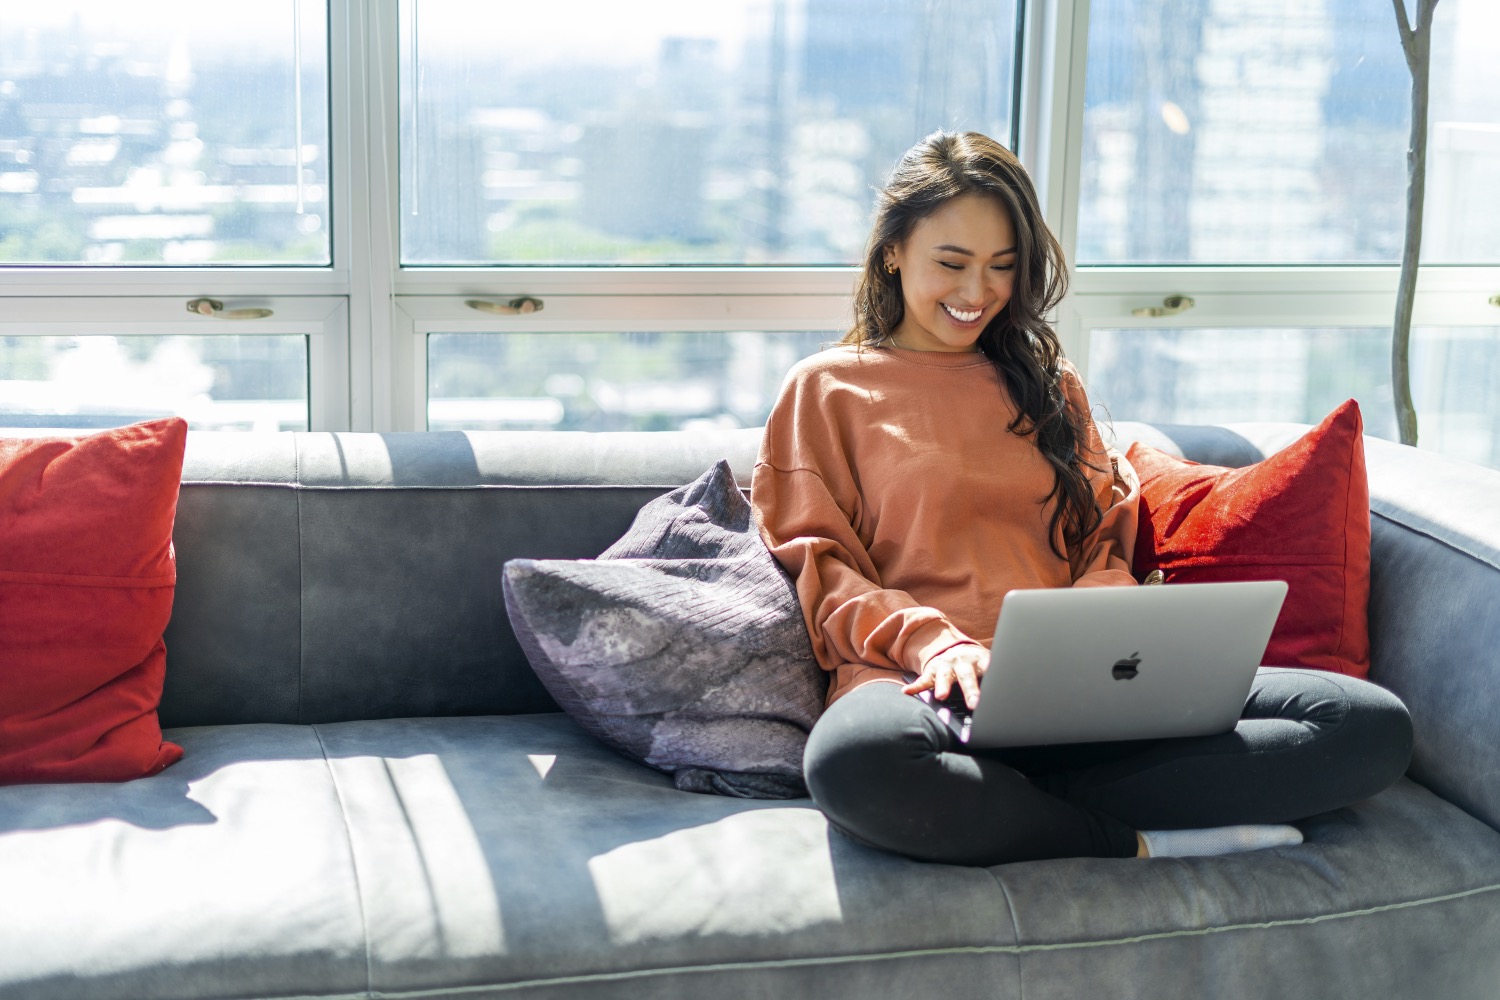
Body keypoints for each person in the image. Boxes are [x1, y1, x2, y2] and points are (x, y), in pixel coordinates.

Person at [750, 130, 1413, 866]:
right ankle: (1130, 838)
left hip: (1080, 688)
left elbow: (1105, 539)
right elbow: (820, 567)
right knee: (854, 765)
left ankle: (1003, 805)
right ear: (893, 252)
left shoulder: (1048, 384)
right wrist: (935, 641)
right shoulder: (827, 388)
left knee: (1363, 726)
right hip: (922, 687)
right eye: (952, 263)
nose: (977, 294)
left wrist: (1096, 633)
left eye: (1003, 267)